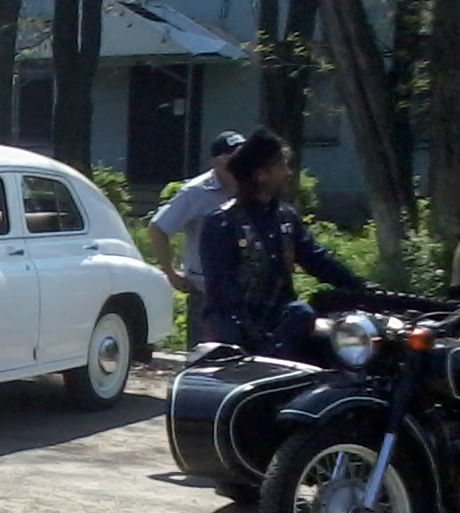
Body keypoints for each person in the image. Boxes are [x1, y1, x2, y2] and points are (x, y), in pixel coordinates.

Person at [198, 128, 363, 356]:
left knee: (312, 320)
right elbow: (221, 290)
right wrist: (250, 331)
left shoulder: (286, 218)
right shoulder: (222, 223)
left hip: (279, 322)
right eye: (281, 166)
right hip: (235, 329)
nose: (288, 173)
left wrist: (360, 288)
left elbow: (316, 259)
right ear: (261, 174)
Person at [148, 130, 245, 342]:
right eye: (231, 156)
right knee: (204, 359)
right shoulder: (196, 192)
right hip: (206, 292)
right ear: (216, 161)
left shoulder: (251, 188)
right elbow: (158, 228)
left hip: (245, 291)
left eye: (242, 155)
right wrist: (171, 273)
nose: (238, 162)